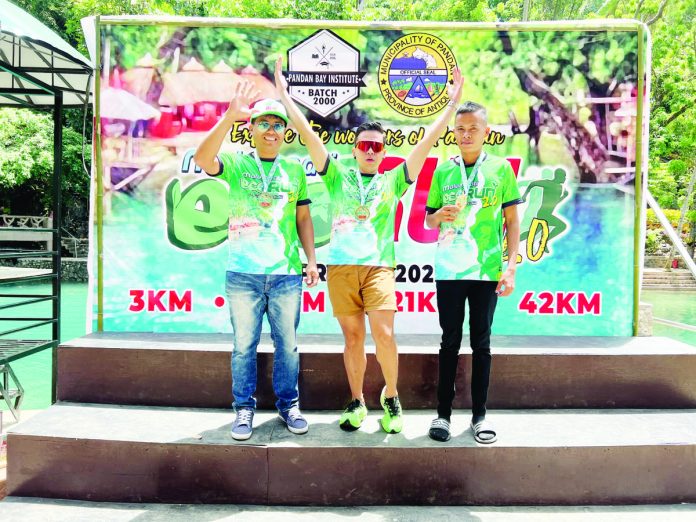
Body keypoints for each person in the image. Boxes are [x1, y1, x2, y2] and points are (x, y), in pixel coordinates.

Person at [275, 57, 463, 433]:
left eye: (377, 146)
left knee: (385, 336)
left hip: (379, 268)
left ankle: (391, 396)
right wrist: (282, 93)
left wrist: (453, 104)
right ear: (355, 149)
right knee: (353, 339)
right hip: (342, 269)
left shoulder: (394, 179)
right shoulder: (336, 175)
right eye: (365, 145)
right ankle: (357, 400)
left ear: (383, 151)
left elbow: (427, 141)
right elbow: (308, 134)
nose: (372, 151)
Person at [193, 80, 320, 441]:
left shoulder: (295, 171)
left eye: (278, 125)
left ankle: (288, 406)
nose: (271, 130)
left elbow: (304, 218)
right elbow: (204, 159)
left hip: (285, 274)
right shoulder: (234, 163)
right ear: (251, 128)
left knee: (288, 346)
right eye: (263, 123)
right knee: (243, 346)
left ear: (285, 133)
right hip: (243, 274)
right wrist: (228, 116)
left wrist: (311, 261)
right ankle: (243, 409)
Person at [425, 101, 522, 444]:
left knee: (482, 343)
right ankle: (443, 416)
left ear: (487, 132)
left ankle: (480, 416)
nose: (466, 135)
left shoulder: (501, 170)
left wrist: (510, 268)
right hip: (450, 269)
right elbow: (428, 219)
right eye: (460, 129)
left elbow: (512, 221)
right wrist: (440, 216)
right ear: (454, 132)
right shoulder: (443, 171)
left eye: (473, 129)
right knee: (448, 343)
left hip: (486, 269)